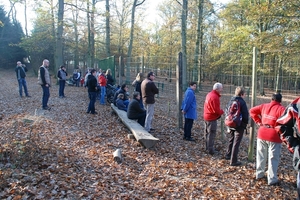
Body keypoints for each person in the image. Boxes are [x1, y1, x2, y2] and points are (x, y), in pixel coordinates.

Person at [250, 93, 285, 185]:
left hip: (262, 133)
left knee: (261, 155)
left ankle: (259, 174)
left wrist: (259, 122)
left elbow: (252, 111)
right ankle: (272, 179)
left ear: (272, 99)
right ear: (280, 101)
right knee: (273, 157)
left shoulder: (264, 106)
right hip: (274, 135)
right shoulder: (281, 109)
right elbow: (286, 121)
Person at [225, 87, 249, 166]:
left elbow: (227, 110)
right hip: (239, 125)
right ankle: (233, 160)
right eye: (244, 94)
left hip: (231, 122)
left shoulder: (231, 100)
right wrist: (245, 123)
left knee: (231, 139)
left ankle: (228, 155)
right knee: (236, 142)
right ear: (242, 94)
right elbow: (245, 115)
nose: (245, 95)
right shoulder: (242, 102)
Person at [203, 82, 224, 155]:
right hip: (211, 118)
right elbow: (216, 110)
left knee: (207, 133)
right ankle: (210, 149)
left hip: (206, 116)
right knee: (211, 133)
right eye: (221, 88)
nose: (222, 89)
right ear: (217, 89)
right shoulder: (215, 97)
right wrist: (222, 112)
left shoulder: (209, 94)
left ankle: (207, 147)